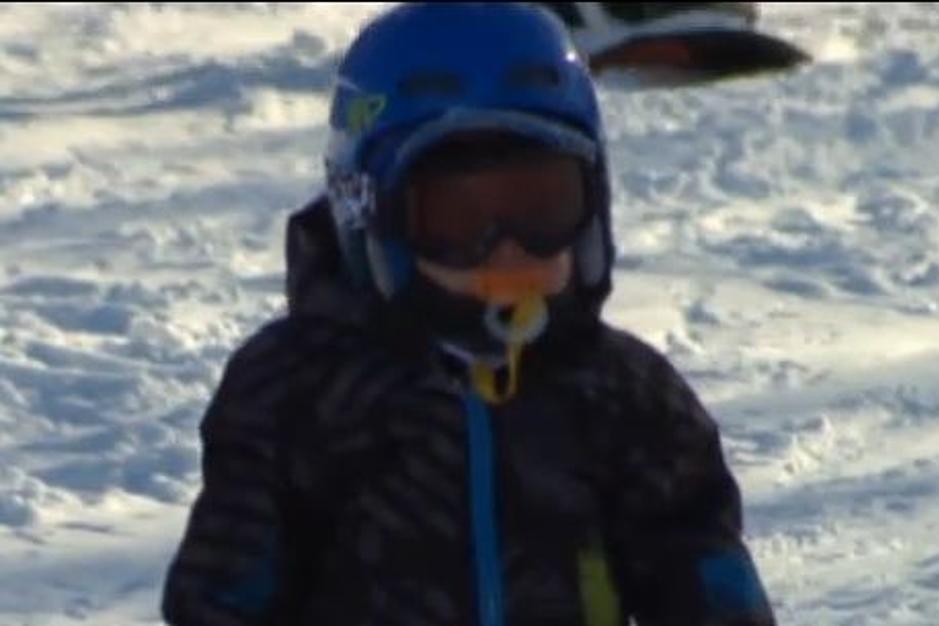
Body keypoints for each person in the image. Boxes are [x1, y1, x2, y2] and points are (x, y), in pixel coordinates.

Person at [161, 4, 776, 626]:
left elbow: (700, 569)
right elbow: (219, 597)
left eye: (542, 209)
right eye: (461, 222)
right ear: (373, 216)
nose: (506, 247)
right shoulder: (295, 391)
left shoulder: (628, 396)